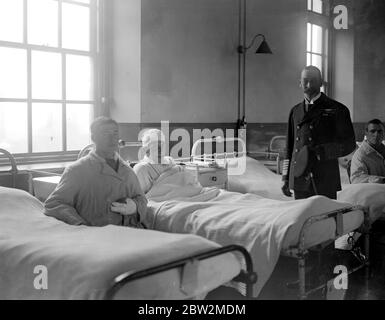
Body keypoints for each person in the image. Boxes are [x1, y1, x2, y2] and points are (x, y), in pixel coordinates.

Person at [44, 117, 148, 227]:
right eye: (105, 133)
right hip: (95, 236)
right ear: (94, 138)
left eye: (115, 133)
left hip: (128, 234)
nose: (112, 138)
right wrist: (79, 224)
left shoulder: (127, 171)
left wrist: (135, 206)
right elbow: (54, 204)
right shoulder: (77, 170)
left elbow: (141, 199)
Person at [281, 66, 356, 200]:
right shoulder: (295, 111)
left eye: (313, 80)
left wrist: (320, 152)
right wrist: (286, 178)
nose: (309, 84)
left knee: (325, 218)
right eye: (305, 80)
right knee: (302, 218)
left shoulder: (337, 109)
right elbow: (289, 148)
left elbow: (349, 144)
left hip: (325, 177)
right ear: (300, 82)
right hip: (300, 178)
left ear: (321, 82)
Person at [133, 129, 181, 193]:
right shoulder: (142, 169)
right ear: (146, 150)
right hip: (160, 201)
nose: (160, 149)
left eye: (162, 145)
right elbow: (142, 198)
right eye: (156, 146)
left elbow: (182, 184)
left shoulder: (170, 161)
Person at [350, 119, 385, 184]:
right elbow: (356, 179)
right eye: (373, 131)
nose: (376, 134)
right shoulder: (360, 155)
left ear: (383, 133)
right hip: (373, 192)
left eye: (380, 131)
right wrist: (381, 180)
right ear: (366, 133)